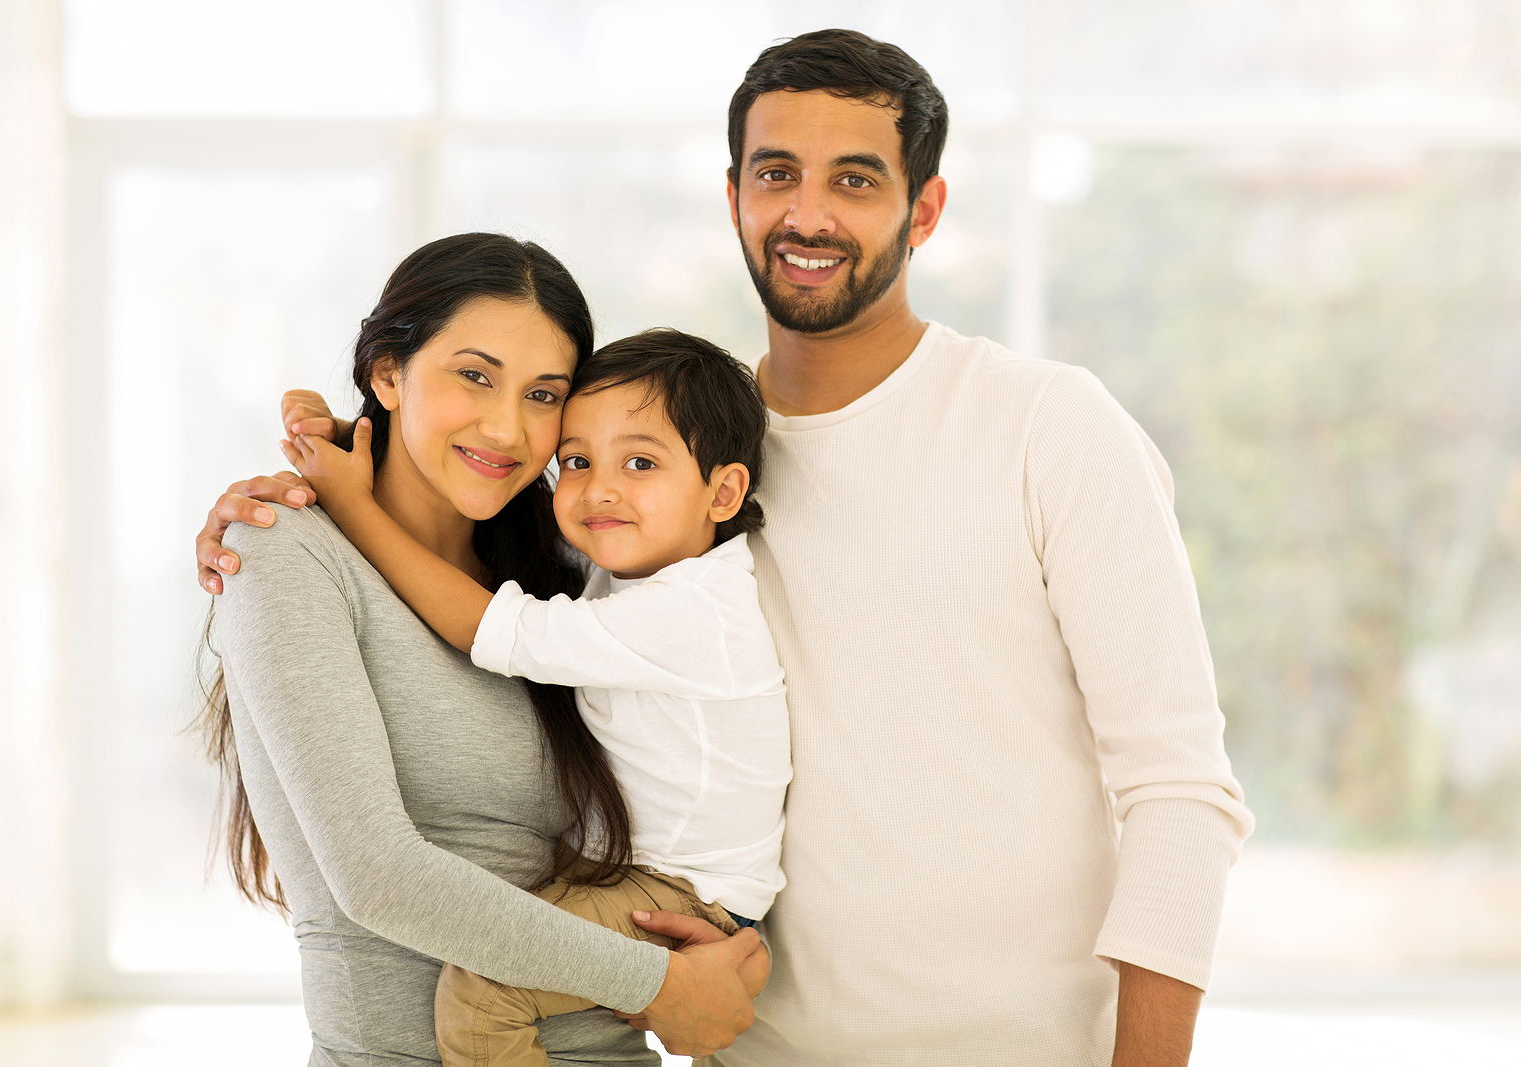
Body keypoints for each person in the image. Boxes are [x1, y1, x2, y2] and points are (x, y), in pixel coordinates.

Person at [198, 30, 1255, 1067]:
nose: (806, 212)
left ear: (923, 209)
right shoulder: (663, 475)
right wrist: (306, 487)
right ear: (733, 195)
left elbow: (1178, 790)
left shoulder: (1046, 425)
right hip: (748, 1046)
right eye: (775, 172)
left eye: (854, 178)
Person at [200, 232, 766, 1067]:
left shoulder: (569, 573)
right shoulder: (284, 549)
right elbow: (379, 878)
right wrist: (662, 985)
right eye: (474, 374)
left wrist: (735, 940)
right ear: (388, 374)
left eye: (544, 394)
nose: (507, 426)